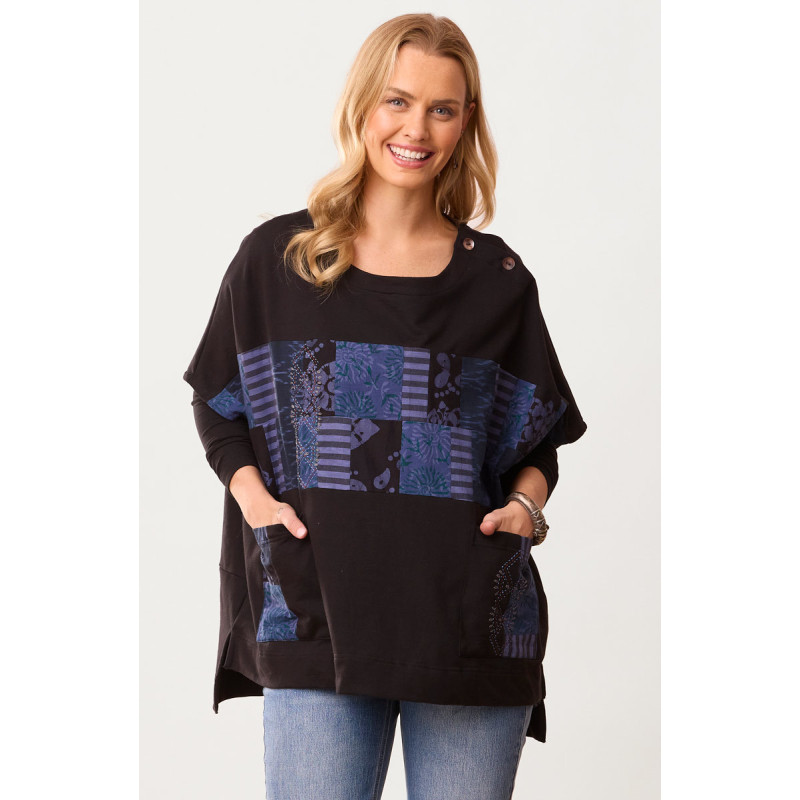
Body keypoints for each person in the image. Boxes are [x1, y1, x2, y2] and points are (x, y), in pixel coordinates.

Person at [183, 12, 587, 800]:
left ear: (466, 122)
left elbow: (535, 440)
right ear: (362, 104)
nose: (416, 129)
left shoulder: (497, 283)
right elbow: (221, 402)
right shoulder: (278, 261)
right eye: (397, 101)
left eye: (443, 108)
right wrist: (255, 500)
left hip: (466, 624)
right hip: (317, 613)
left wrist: (525, 509)